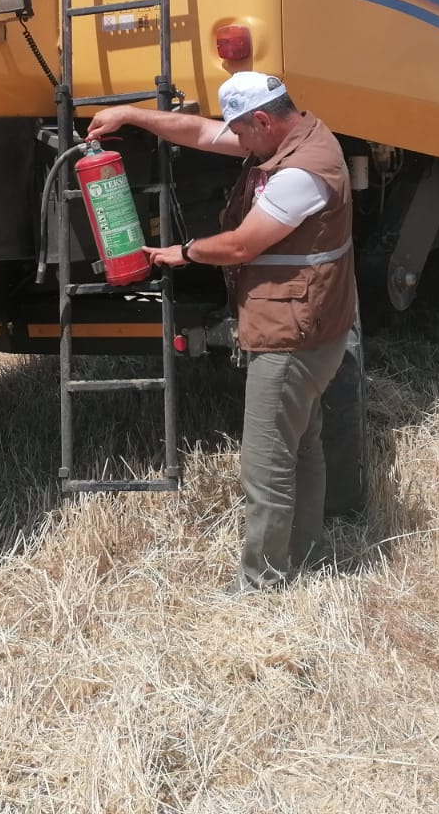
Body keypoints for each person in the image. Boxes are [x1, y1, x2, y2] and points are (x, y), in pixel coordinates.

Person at [87, 73, 356, 590]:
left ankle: (261, 582)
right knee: (301, 446)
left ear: (263, 120)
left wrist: (182, 253)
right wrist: (131, 115)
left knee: (266, 463)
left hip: (291, 335)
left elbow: (240, 247)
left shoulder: (300, 173)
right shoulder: (298, 134)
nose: (235, 142)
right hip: (315, 326)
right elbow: (201, 134)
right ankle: (306, 553)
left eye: (242, 131)